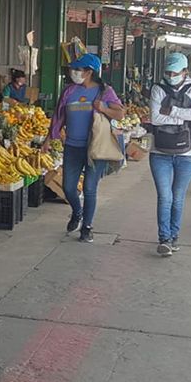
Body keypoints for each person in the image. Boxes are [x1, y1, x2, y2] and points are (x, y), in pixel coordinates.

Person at [49, 53, 125, 243]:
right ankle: (77, 212)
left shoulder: (104, 91)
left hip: (95, 148)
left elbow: (120, 114)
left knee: (90, 188)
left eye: (78, 69)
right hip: (72, 147)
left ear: (89, 72)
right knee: (68, 188)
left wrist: (104, 109)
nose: (73, 72)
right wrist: (49, 139)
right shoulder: (69, 91)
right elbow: (59, 117)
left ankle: (87, 227)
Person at [148, 52, 191, 257]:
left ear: (185, 71)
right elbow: (155, 118)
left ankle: (174, 237)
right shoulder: (158, 88)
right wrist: (184, 114)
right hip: (159, 152)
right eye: (167, 72)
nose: (170, 76)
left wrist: (170, 110)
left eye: (174, 72)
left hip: (189, 153)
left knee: (178, 196)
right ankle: (164, 238)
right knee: (165, 196)